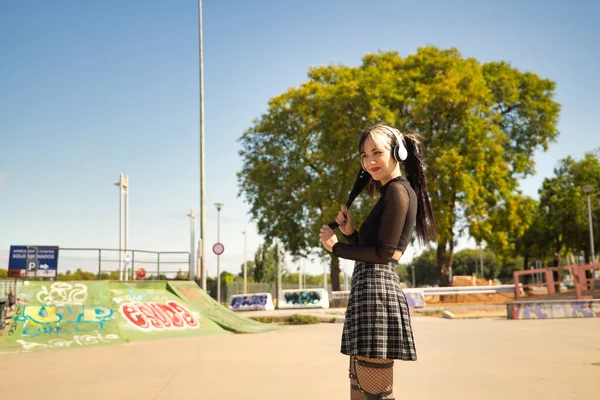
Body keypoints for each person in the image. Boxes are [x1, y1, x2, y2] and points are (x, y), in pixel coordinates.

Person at [319, 124, 437, 400]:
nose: (369, 161)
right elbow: (378, 248)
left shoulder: (398, 191)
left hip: (377, 293)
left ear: (398, 153)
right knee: (360, 389)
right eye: (364, 155)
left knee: (375, 394)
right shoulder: (391, 192)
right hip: (369, 291)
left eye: (376, 152)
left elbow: (384, 255)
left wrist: (336, 249)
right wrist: (351, 235)